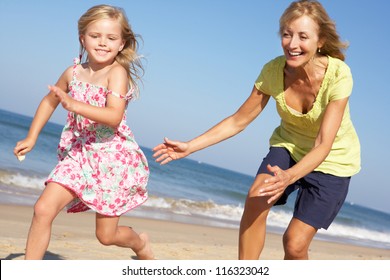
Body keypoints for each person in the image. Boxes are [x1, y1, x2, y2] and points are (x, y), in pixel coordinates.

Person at [153, 0, 360, 260]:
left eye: (303, 37)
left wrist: (289, 177)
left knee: (294, 244)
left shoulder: (339, 75)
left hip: (333, 161)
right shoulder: (273, 71)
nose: (292, 44)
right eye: (287, 34)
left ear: (320, 41)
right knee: (256, 198)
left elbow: (323, 144)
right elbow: (239, 120)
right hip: (289, 146)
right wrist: (190, 146)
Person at [14, 4, 154, 260]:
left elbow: (113, 116)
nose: (102, 43)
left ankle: (140, 243)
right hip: (78, 155)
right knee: (43, 209)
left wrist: (74, 104)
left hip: (113, 159)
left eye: (111, 38)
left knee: (106, 236)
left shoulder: (117, 73)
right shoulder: (72, 73)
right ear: (82, 38)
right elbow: (49, 101)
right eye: (95, 36)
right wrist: (31, 136)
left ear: (121, 44)